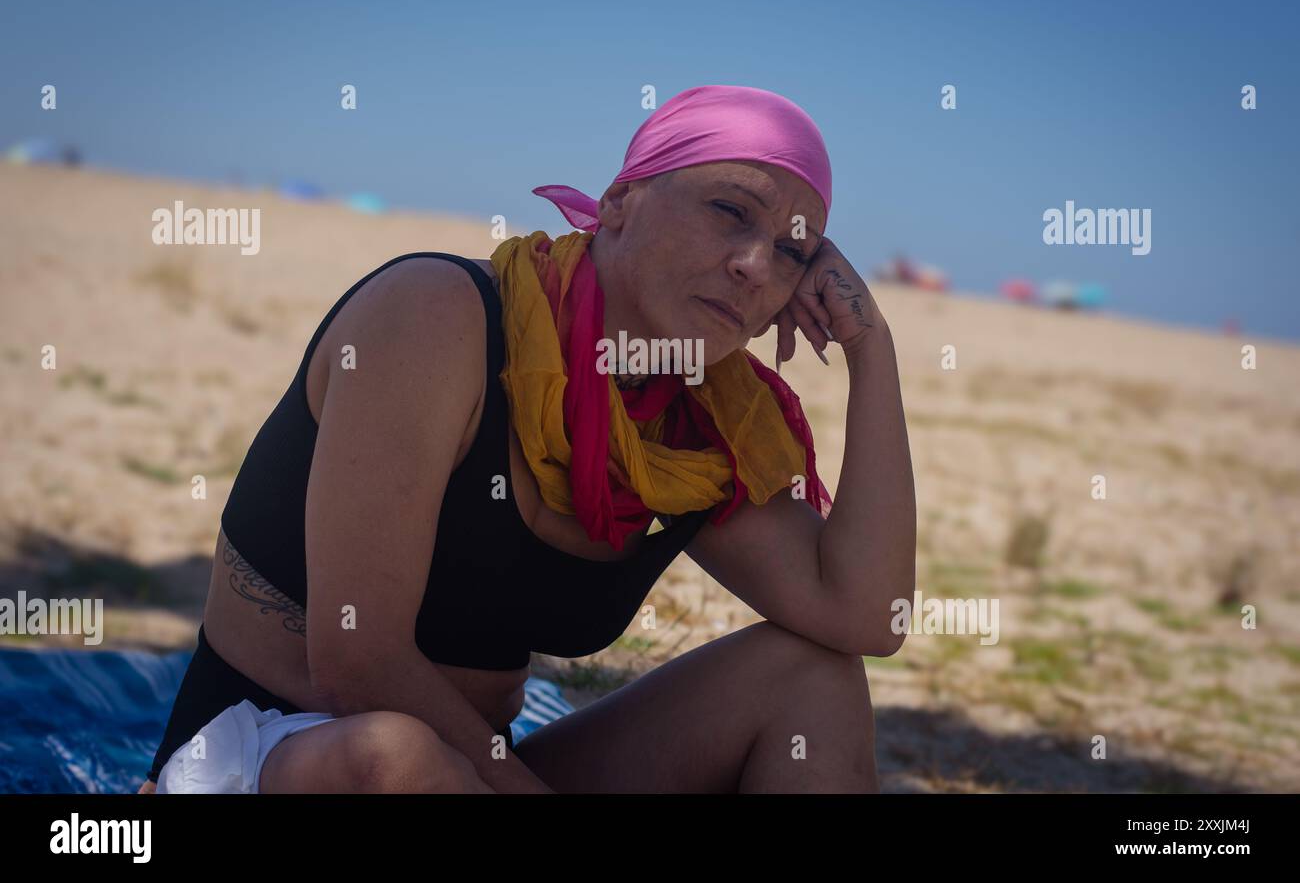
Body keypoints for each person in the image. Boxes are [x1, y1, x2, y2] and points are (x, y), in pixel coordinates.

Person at [138, 84, 916, 794]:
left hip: (480, 774)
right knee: (398, 760)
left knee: (813, 678)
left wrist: (870, 350)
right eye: (730, 211)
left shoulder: (695, 430)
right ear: (621, 202)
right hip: (269, 759)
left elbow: (867, 617)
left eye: (792, 250)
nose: (754, 264)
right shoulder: (437, 316)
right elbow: (355, 662)